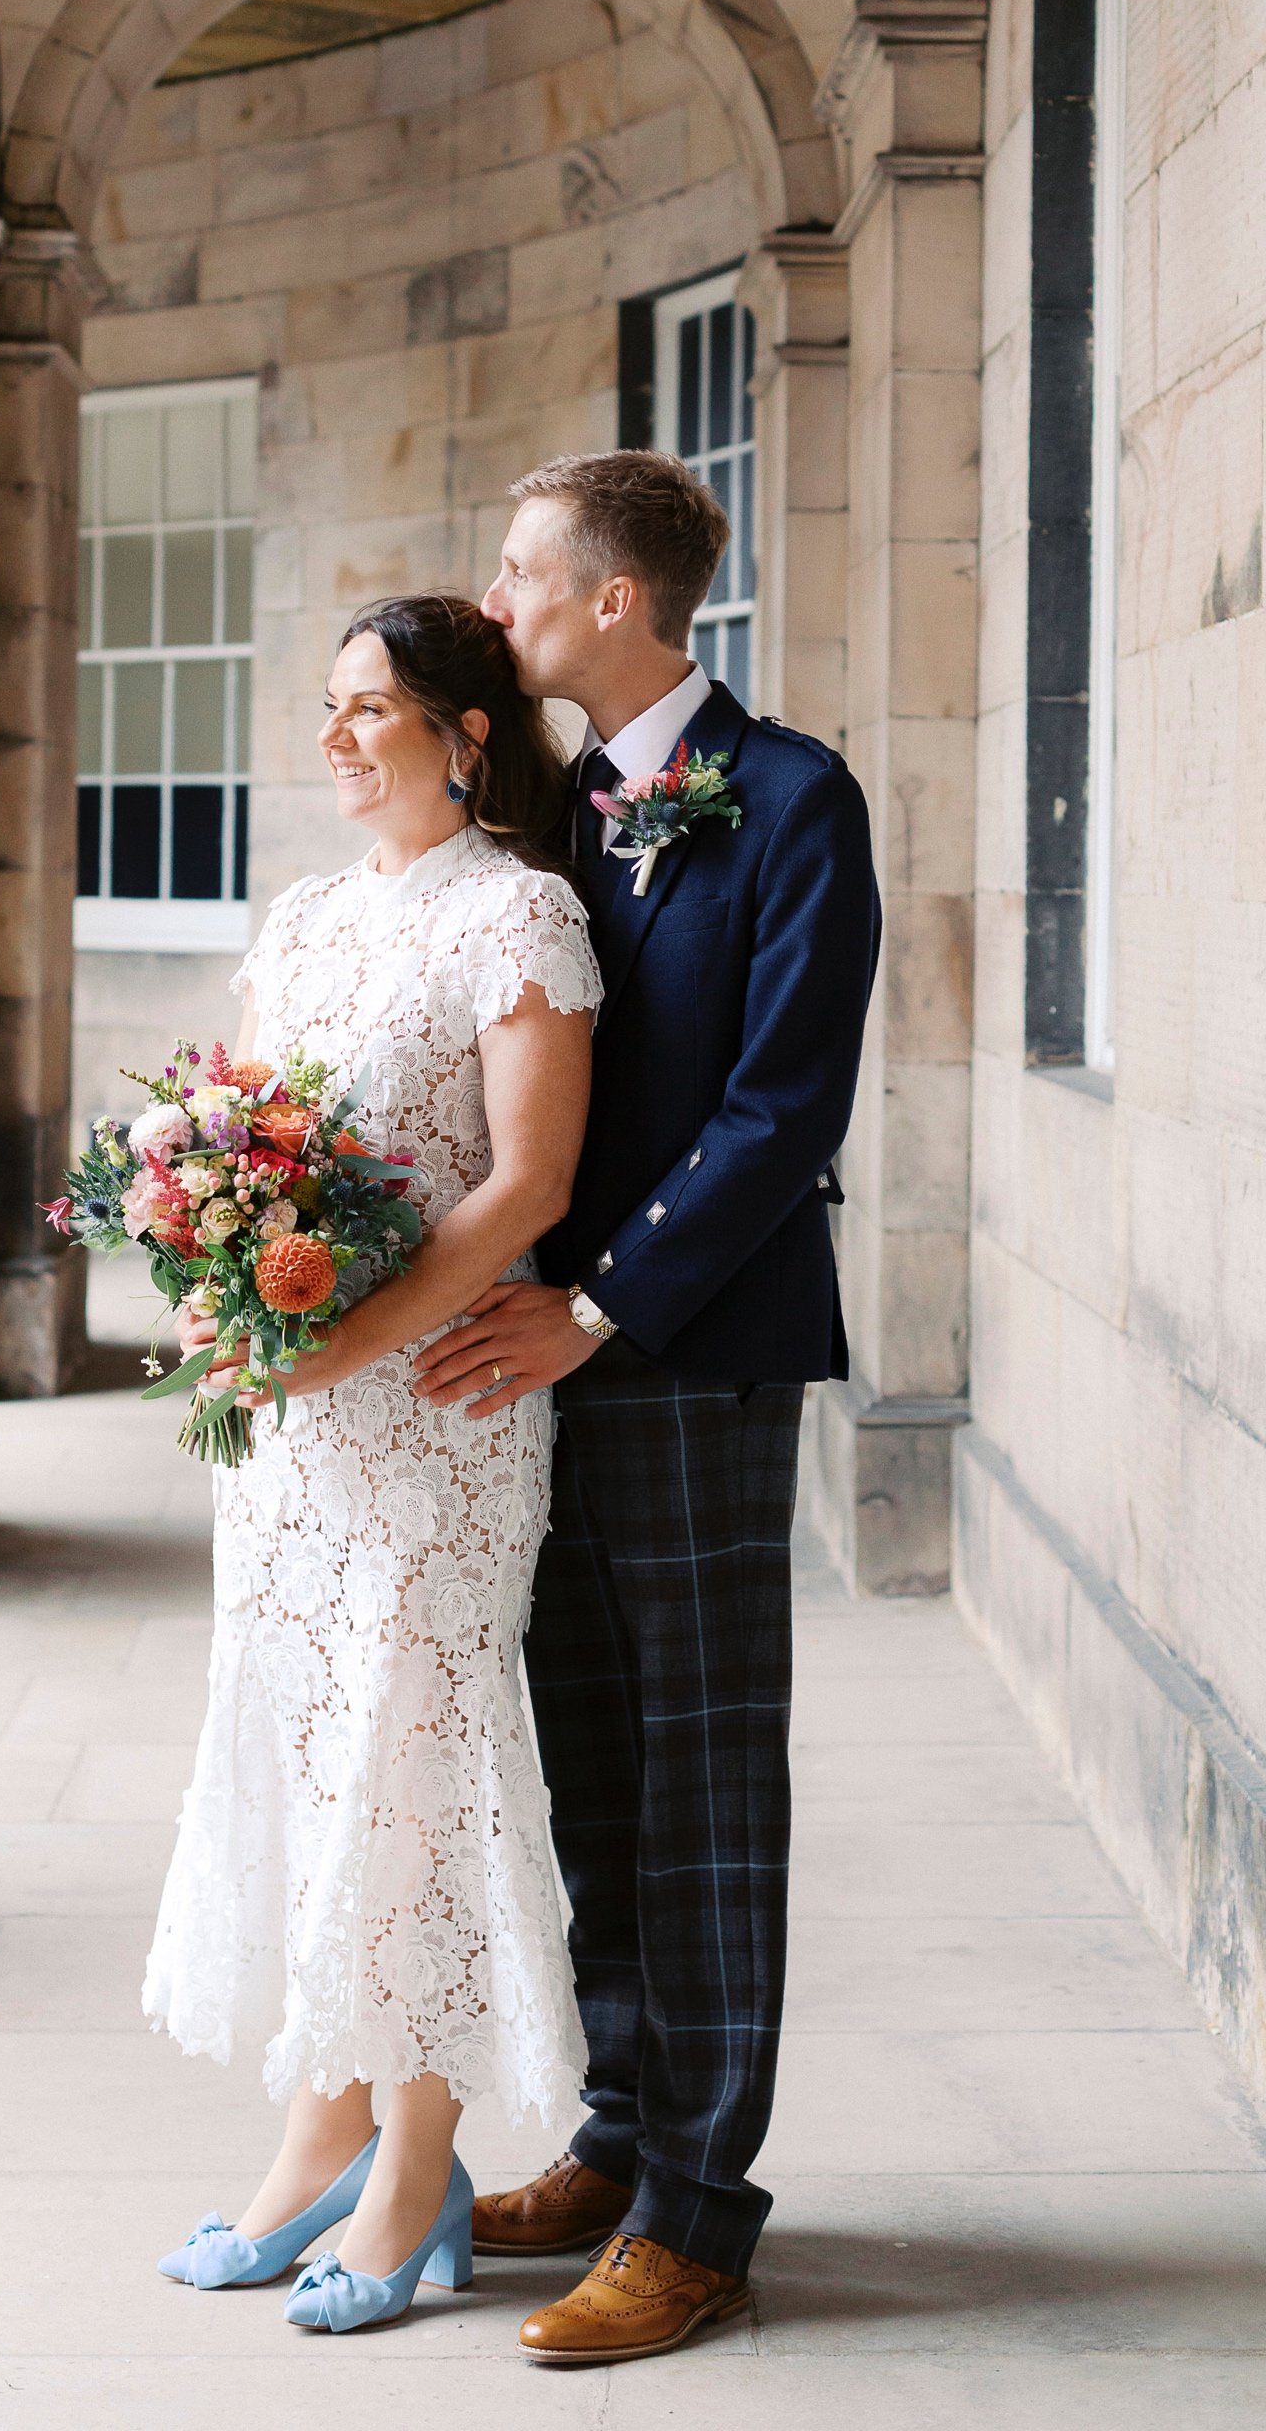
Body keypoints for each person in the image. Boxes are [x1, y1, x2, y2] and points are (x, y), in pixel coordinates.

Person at [414, 449, 881, 2367]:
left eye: (526, 575)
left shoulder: (792, 800)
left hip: (684, 1349)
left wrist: (598, 1306)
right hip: (540, 1359)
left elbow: (786, 1112)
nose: (501, 599)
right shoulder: (536, 815)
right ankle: (616, 2137)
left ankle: (701, 2212)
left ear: (617, 600)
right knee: (588, 1754)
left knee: (700, 1774)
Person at [143, 592, 603, 2337]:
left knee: (420, 1756)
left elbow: (526, 1185)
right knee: (319, 1743)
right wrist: (217, 1285)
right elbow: (243, 1138)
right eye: (331, 708)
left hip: (444, 1417)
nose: (337, 737)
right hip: (292, 1437)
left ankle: (419, 2170)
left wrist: (355, 1340)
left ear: (465, 732)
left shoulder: (523, 914)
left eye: (371, 708)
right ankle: (320, 2124)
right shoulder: (306, 914)